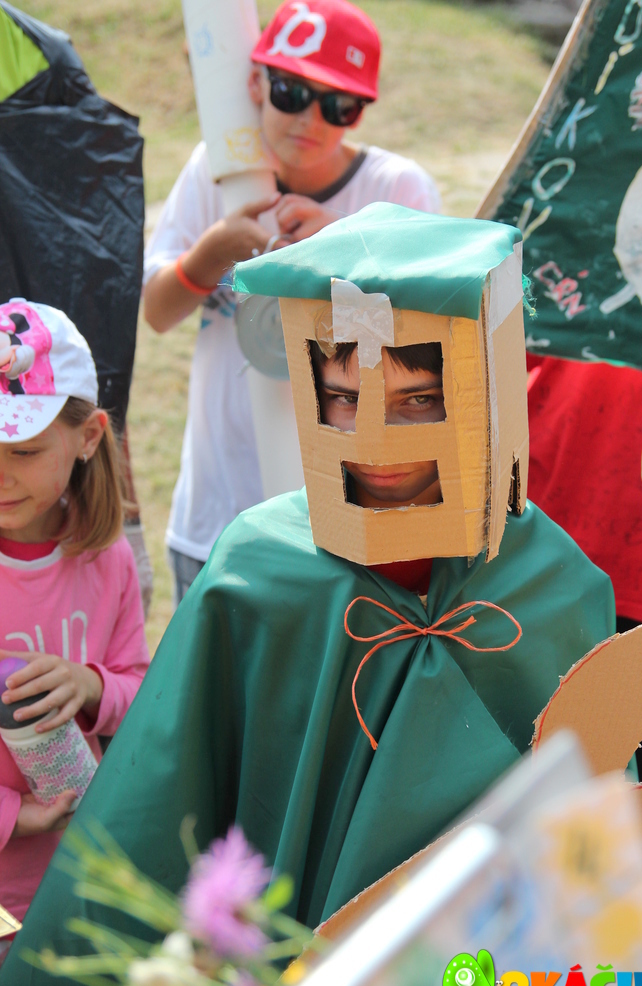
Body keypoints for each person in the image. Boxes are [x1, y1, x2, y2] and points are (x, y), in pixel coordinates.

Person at [0, 208, 615, 986]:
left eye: (418, 400)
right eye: (342, 397)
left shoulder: (549, 583)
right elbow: (161, 798)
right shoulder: (259, 572)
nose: (374, 440)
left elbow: (588, 845)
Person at [143, 0, 441, 606]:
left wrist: (345, 251)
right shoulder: (217, 173)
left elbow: (427, 346)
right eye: (291, 92)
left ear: (361, 112)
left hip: (344, 514)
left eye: (338, 105)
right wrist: (212, 252)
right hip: (217, 511)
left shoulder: (394, 190)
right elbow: (156, 310)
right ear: (256, 83)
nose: (310, 118)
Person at [0, 299, 149, 944]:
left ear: (88, 438)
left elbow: (140, 687)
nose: (2, 475)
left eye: (25, 451)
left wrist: (90, 684)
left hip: (74, 871)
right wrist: (12, 816)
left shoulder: (106, 559)